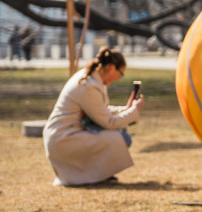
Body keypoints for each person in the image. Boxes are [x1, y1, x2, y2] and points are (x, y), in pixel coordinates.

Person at [42, 47, 145, 186]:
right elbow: (108, 122)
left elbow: (100, 111)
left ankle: (99, 175)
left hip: (66, 134)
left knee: (120, 134)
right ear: (111, 68)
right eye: (120, 74)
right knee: (122, 138)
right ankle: (96, 175)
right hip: (64, 138)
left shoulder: (91, 79)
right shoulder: (89, 85)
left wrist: (127, 109)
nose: (118, 78)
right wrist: (133, 111)